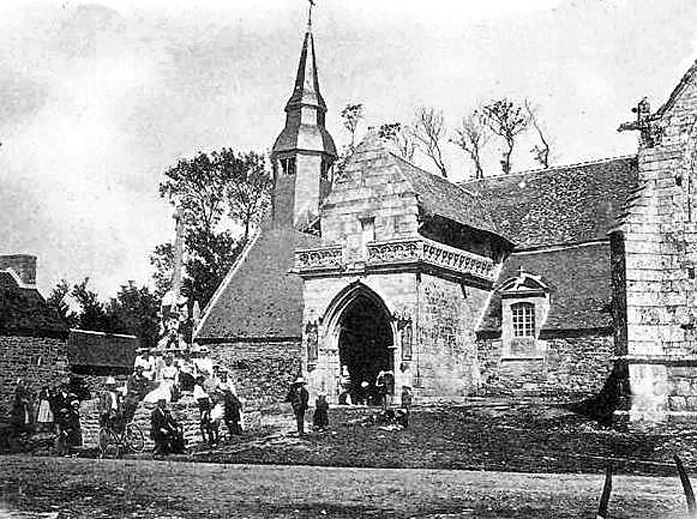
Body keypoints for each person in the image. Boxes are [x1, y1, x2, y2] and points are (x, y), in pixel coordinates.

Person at [193, 376, 213, 444]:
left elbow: (208, 394)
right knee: (204, 417)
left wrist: (209, 400)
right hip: (202, 402)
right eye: (200, 381)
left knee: (209, 417)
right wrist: (197, 402)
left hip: (206, 402)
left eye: (202, 381)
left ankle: (211, 436)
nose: (201, 382)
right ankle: (205, 436)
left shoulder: (204, 387)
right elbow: (195, 396)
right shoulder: (196, 387)